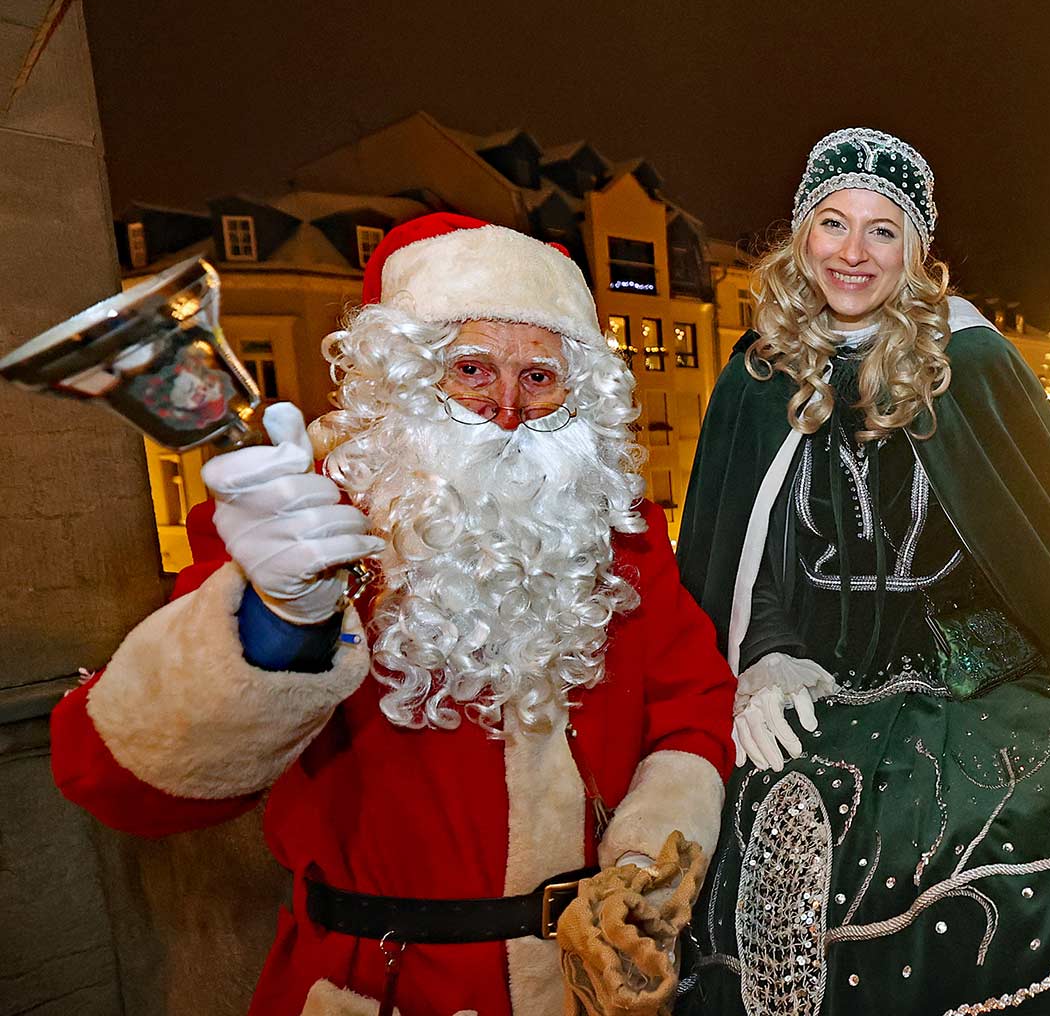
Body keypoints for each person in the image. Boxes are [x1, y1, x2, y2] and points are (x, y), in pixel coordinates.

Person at [50, 215, 736, 1014]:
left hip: (579, 990)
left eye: (539, 378)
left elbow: (692, 708)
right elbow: (118, 783)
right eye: (473, 369)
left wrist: (644, 862)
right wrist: (278, 624)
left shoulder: (617, 527)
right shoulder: (301, 514)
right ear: (408, 374)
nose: (507, 409)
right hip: (379, 986)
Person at [672, 129, 1050, 1015]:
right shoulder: (756, 378)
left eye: (882, 232)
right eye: (833, 224)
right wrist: (762, 653)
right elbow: (736, 555)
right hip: (811, 689)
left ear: (915, 251)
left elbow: (1049, 551)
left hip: (968, 685)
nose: (853, 252)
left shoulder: (972, 366)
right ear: (800, 236)